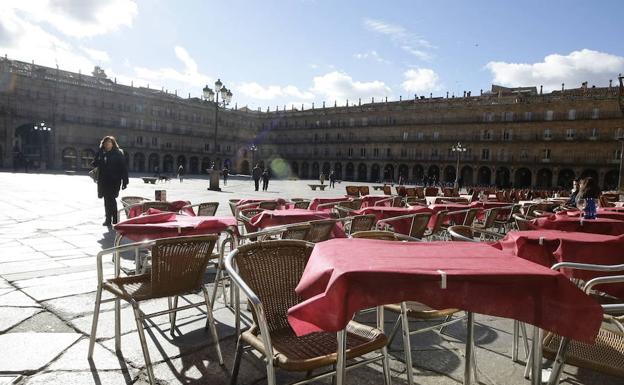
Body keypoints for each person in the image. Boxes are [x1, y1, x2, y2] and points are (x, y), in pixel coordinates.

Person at [92, 136, 128, 227]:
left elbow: (123, 168)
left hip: (114, 180)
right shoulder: (101, 153)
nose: (107, 144)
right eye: (105, 143)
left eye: (109, 142)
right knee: (106, 200)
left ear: (113, 143)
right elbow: (94, 163)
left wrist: (125, 181)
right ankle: (108, 219)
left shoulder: (118, 153)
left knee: (111, 199)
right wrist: (99, 157)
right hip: (103, 180)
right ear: (103, 144)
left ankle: (114, 218)